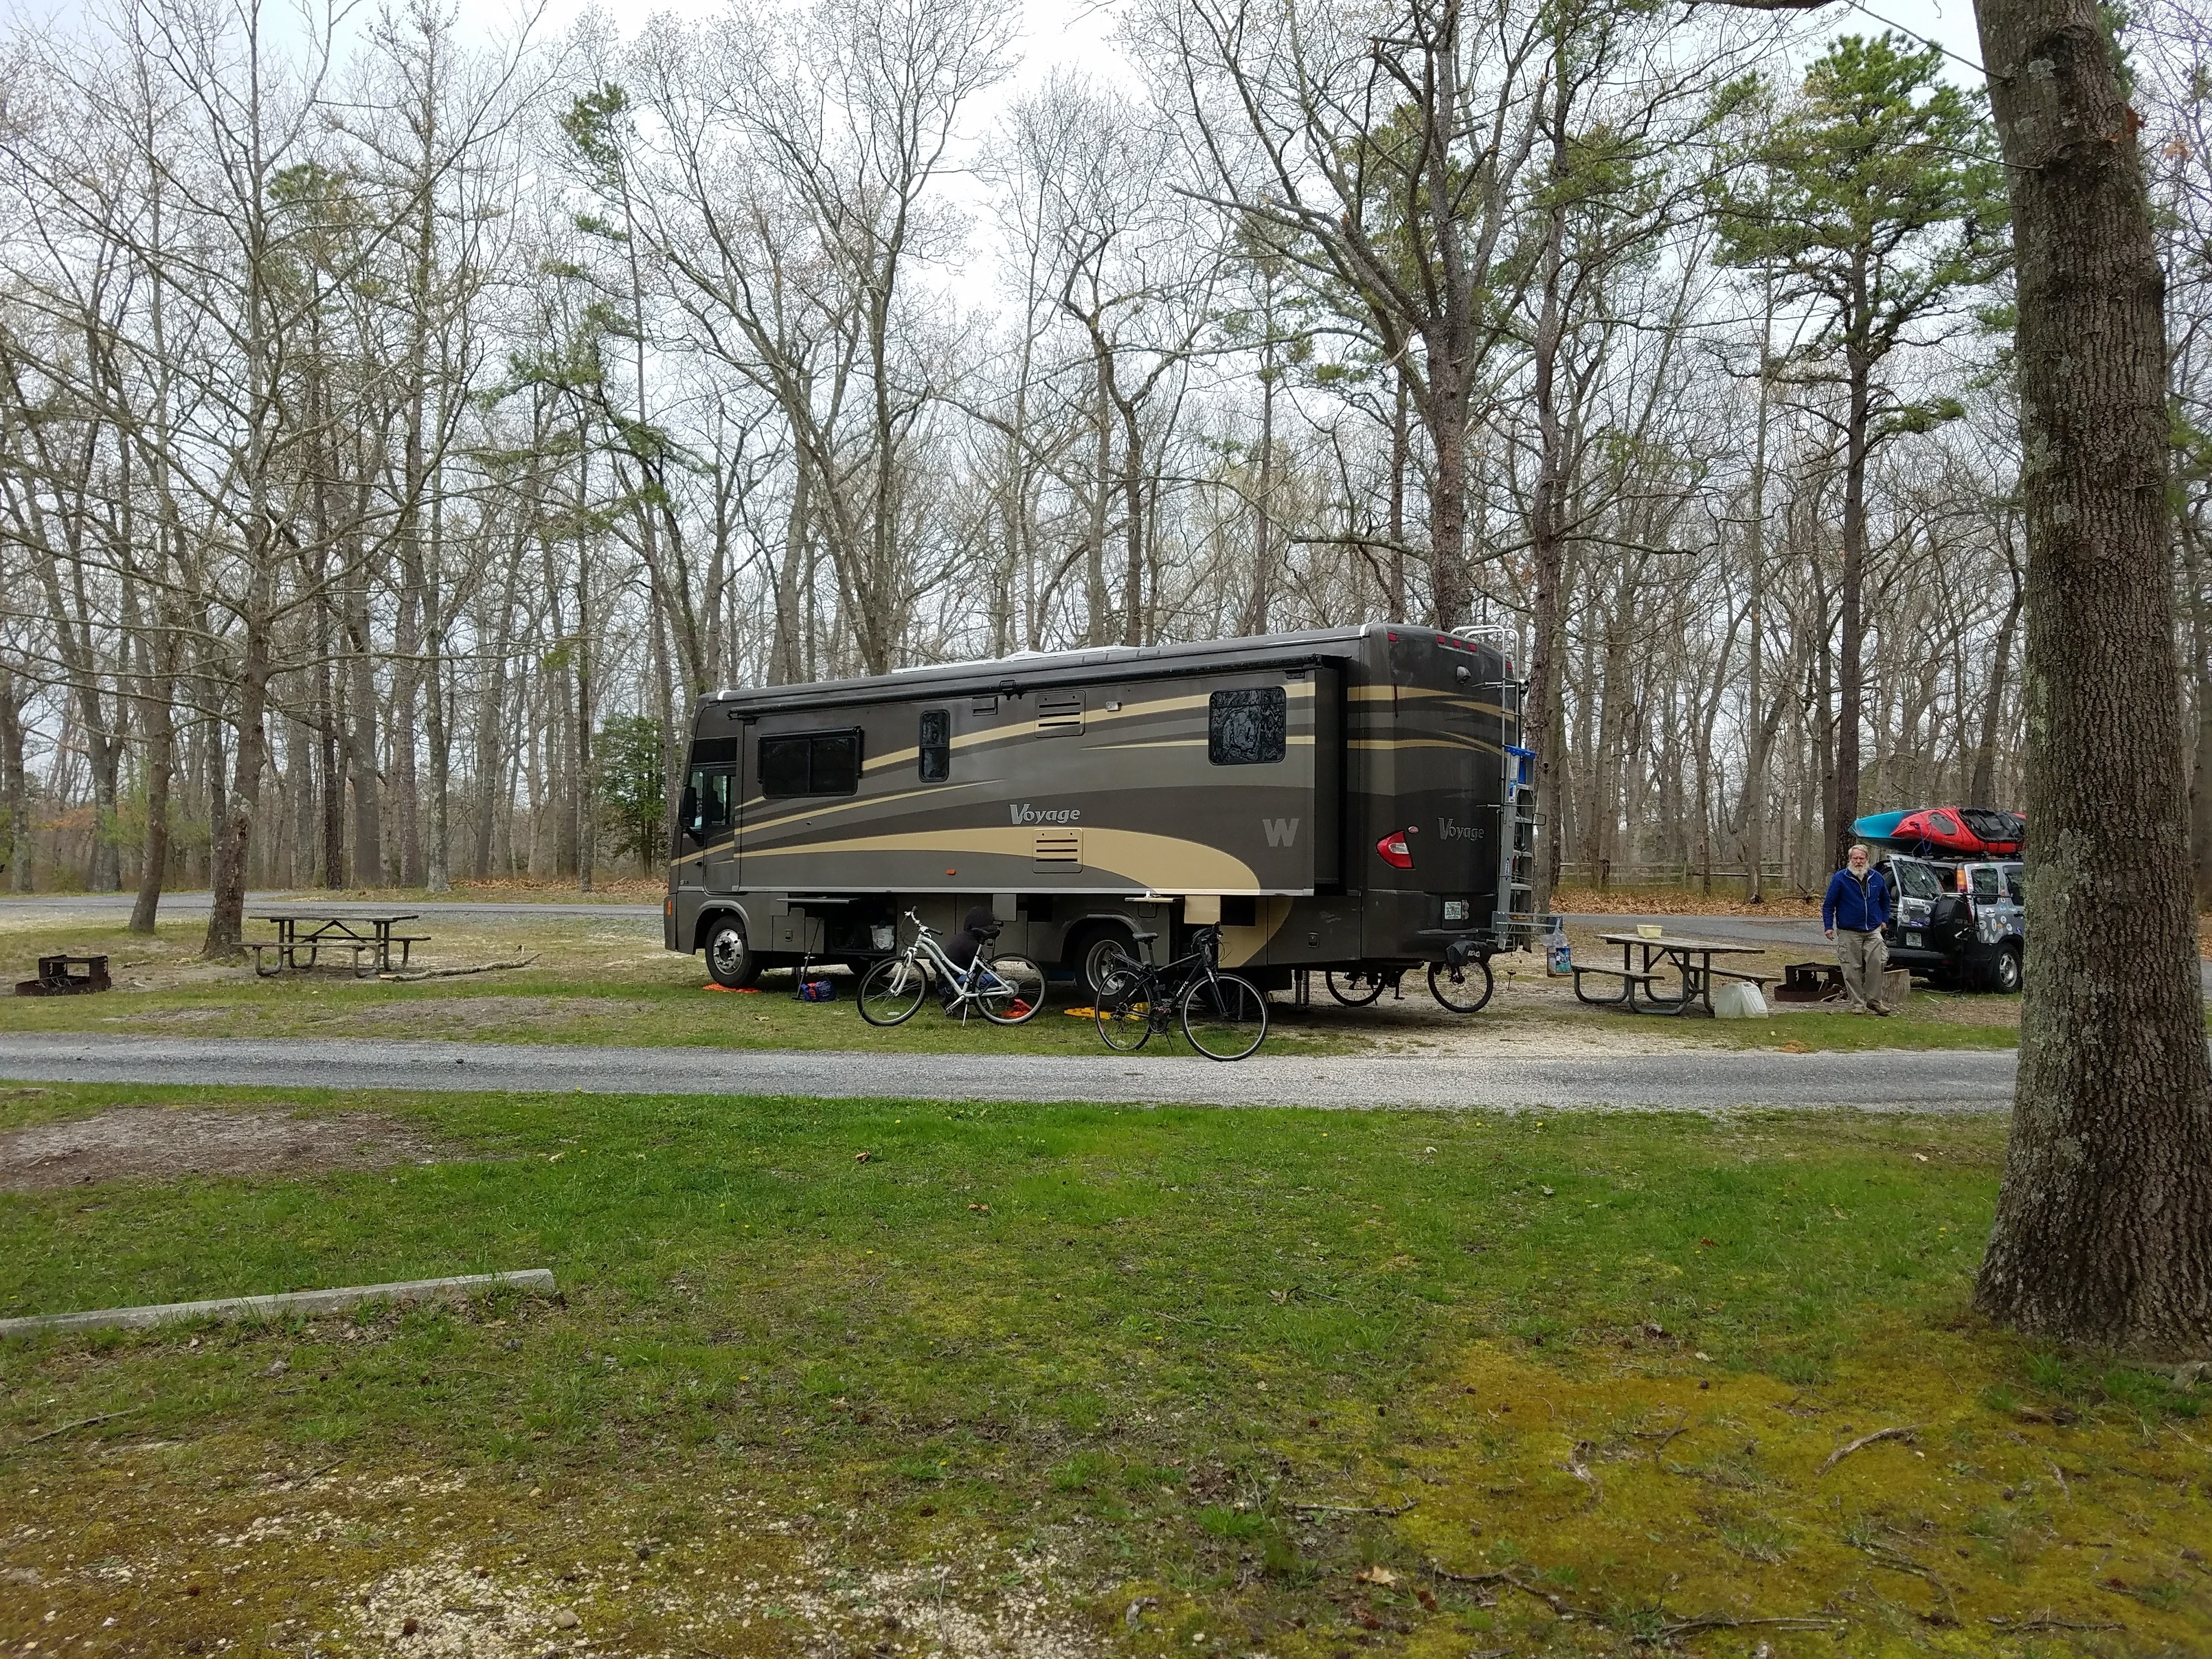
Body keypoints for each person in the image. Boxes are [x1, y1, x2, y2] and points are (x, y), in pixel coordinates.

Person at [1822, 843, 1893, 1015]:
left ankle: (1875, 1001)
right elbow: (1828, 905)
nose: (1859, 862)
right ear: (1850, 860)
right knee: (1851, 968)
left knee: (1877, 963)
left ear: (1867, 859)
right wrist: (1828, 927)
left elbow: (1885, 900)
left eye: (1862, 858)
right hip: (1849, 931)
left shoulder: (1876, 878)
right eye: (1855, 858)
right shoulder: (1841, 878)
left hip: (1873, 930)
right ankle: (1857, 1004)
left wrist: (1884, 920)